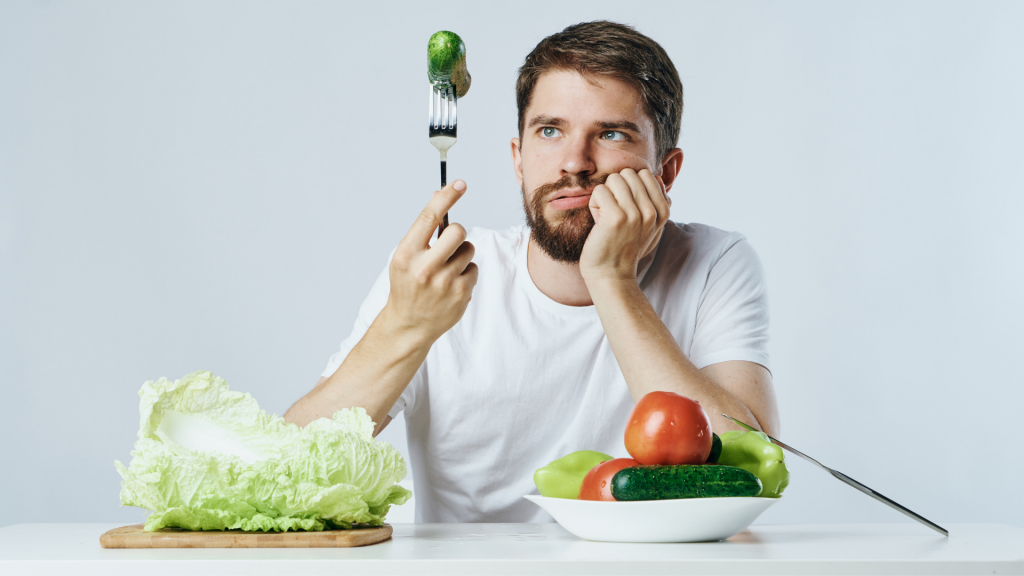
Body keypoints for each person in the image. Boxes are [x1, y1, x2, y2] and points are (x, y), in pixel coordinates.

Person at [284, 20, 780, 523]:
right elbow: (288, 470)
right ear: (519, 160)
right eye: (550, 130)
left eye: (610, 134)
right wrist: (405, 326)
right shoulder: (439, 278)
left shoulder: (714, 262)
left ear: (665, 173)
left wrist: (613, 280)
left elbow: (752, 471)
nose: (574, 163)